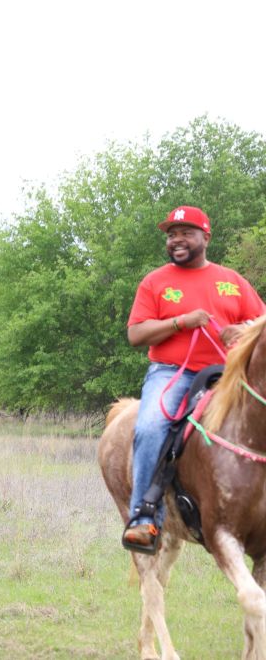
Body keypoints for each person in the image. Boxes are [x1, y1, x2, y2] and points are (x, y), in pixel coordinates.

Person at [121, 205, 265, 551]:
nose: (176, 240)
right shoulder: (155, 282)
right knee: (151, 426)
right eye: (171, 235)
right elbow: (136, 334)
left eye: (185, 232)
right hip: (173, 374)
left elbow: (262, 326)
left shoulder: (232, 282)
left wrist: (241, 332)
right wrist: (181, 322)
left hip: (228, 375)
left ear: (206, 237)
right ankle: (144, 517)